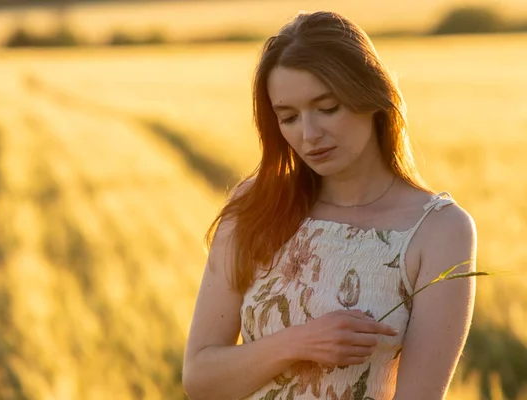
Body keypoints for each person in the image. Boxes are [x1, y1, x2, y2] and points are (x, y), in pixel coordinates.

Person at [182, 10, 476, 400]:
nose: (309, 135)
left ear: (371, 96)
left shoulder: (439, 230)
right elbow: (200, 379)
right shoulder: (255, 205)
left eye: (328, 108)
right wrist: (299, 343)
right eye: (288, 117)